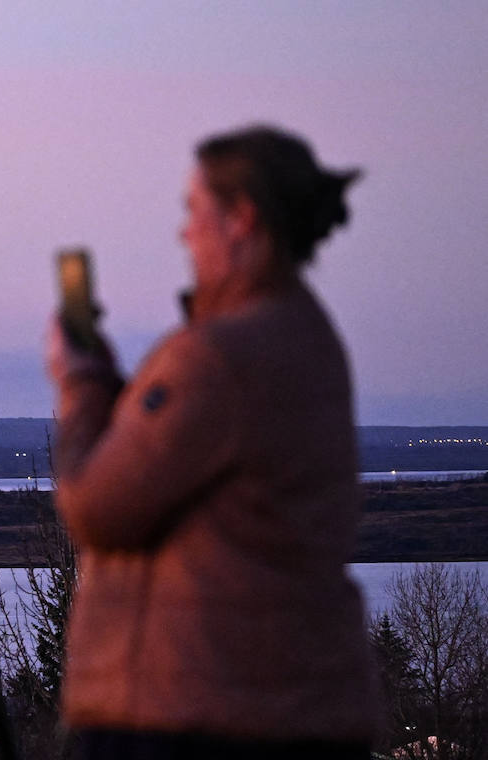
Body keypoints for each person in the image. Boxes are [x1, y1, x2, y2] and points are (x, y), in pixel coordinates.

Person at [47, 125, 377, 759]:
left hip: (194, 715)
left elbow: (96, 506)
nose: (183, 232)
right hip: (287, 706)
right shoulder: (303, 335)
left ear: (241, 219)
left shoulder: (218, 356)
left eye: (193, 210)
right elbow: (184, 462)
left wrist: (80, 384)